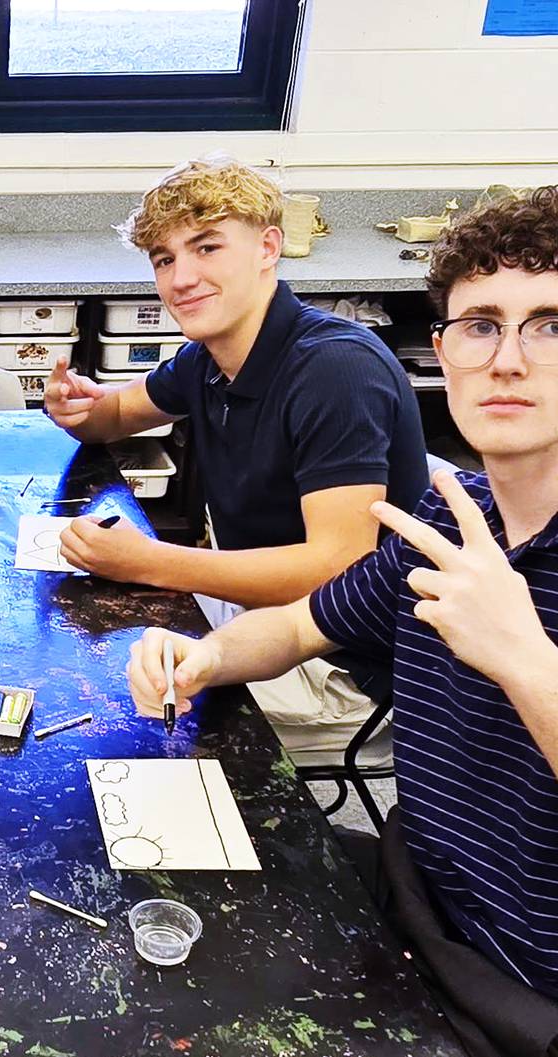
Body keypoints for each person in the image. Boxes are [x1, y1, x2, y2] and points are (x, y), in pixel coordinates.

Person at [126, 186, 558, 1057]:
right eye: (481, 326)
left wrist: (526, 660)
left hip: (522, 995)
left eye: (550, 326)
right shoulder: (445, 521)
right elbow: (297, 628)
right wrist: (206, 654)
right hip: (416, 896)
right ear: (442, 350)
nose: (508, 360)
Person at [44, 154, 428, 762]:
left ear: (268, 247)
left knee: (91, 717)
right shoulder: (210, 356)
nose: (181, 279)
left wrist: (151, 562)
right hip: (259, 613)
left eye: (207, 247)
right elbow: (115, 414)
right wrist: (77, 407)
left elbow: (340, 567)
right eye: (164, 259)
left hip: (343, 663)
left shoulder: (335, 370)